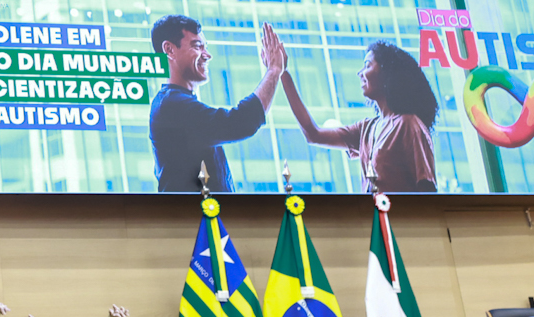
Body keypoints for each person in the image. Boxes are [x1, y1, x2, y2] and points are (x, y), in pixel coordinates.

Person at [279, 40, 438, 193]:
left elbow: (427, 189)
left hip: (401, 219)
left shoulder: (409, 125)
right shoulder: (366, 129)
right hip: (373, 219)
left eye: (367, 65)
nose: (359, 73)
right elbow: (313, 135)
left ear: (387, 73)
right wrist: (282, 73)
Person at [148, 16, 286, 192]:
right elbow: (240, 123)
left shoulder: (178, 103)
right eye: (197, 46)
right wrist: (274, 70)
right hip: (195, 218)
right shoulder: (172, 106)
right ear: (169, 50)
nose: (207, 55)